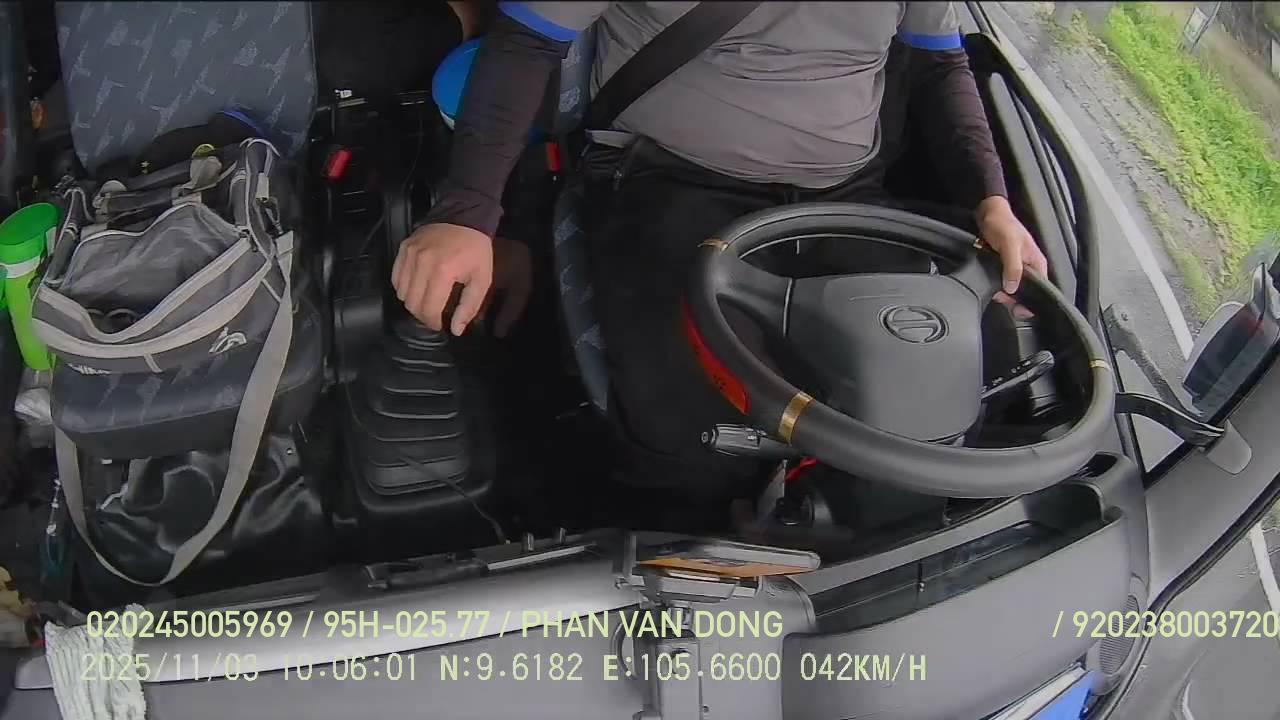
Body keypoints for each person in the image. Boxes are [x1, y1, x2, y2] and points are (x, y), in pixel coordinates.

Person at [392, 2, 1049, 502]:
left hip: (849, 193)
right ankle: (683, 541)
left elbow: (940, 65)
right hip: (672, 178)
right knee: (692, 427)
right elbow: (527, 40)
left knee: (963, 379)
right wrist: (469, 214)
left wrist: (991, 200)